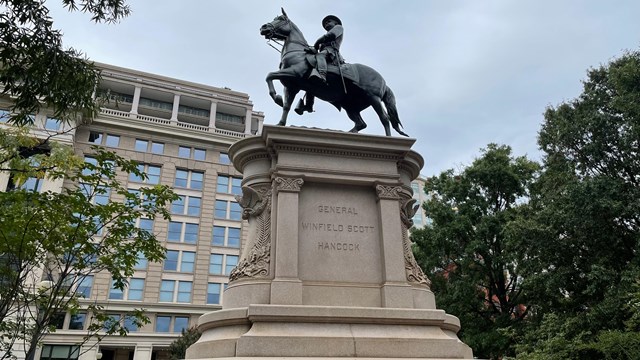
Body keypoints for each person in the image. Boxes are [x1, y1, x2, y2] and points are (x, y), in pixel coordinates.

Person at [295, 15, 344, 115]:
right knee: (310, 78)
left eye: (328, 21)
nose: (326, 24)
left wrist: (316, 45)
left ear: (335, 23)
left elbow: (330, 36)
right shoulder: (326, 35)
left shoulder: (338, 28)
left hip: (331, 54)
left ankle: (322, 75)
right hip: (325, 55)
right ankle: (309, 105)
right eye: (325, 23)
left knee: (320, 56)